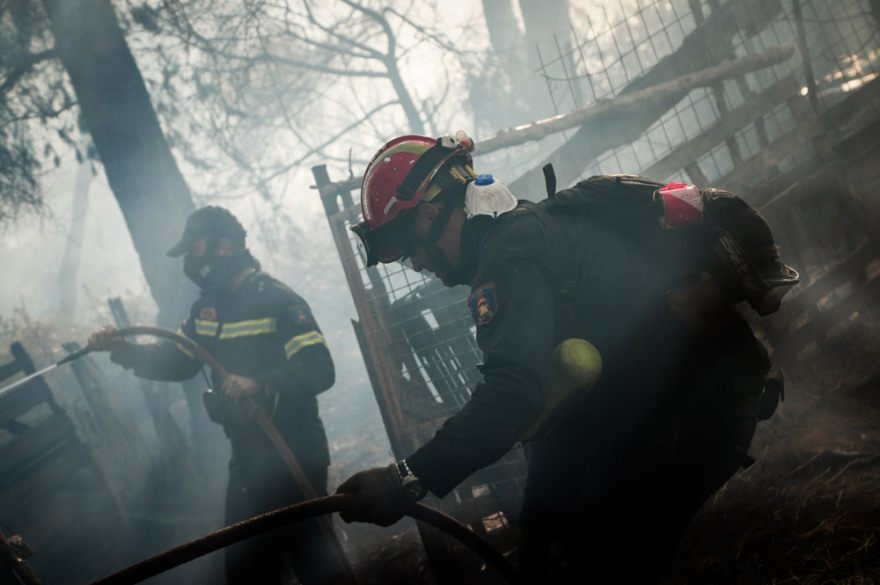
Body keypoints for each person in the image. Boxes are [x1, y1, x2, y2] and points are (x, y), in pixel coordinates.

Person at [336, 132, 796, 583]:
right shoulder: (530, 229)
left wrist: (407, 479)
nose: (417, 265)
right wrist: (540, 531)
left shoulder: (509, 259)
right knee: (569, 553)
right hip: (683, 402)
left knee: (599, 566)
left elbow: (512, 396)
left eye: (407, 251)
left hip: (695, 413)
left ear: (428, 215)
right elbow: (561, 415)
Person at [88, 206, 349, 585]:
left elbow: (320, 368)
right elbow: (177, 361)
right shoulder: (208, 310)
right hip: (247, 459)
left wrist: (259, 383)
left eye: (195, 249)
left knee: (318, 567)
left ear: (224, 246)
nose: (192, 262)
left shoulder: (278, 300)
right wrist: (122, 350)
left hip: (294, 453)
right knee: (246, 570)